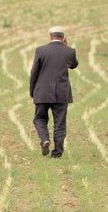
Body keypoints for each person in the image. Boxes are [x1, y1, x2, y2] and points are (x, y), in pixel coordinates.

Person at [29, 26, 79, 158]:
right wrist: (66, 47)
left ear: (50, 36)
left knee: (39, 118)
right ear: (63, 37)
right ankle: (57, 153)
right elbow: (74, 65)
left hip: (42, 92)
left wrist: (32, 91)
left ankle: (45, 139)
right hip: (61, 93)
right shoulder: (70, 51)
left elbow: (34, 72)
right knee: (60, 123)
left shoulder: (41, 50)